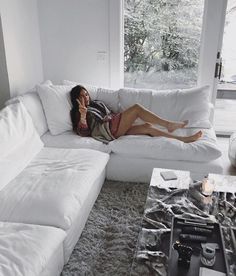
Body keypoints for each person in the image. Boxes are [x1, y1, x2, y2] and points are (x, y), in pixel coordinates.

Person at [70, 85, 202, 144]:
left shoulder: (96, 103)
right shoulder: (76, 112)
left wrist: (123, 119)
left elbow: (110, 114)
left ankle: (183, 140)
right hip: (107, 131)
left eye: (86, 93)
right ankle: (168, 124)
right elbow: (84, 133)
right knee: (136, 109)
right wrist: (82, 115)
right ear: (76, 99)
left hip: (113, 124)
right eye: (81, 96)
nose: (86, 97)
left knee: (147, 127)